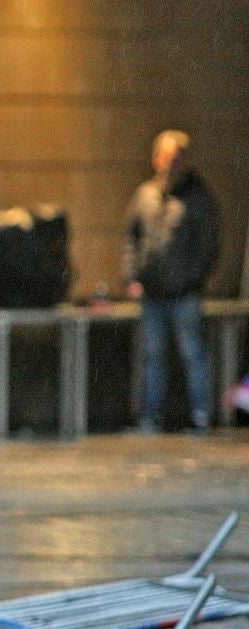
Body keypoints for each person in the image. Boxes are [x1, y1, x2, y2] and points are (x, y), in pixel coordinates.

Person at [121, 129, 220, 435]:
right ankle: (149, 417)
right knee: (152, 356)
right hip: (152, 291)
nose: (170, 164)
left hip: (184, 293)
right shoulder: (145, 195)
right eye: (165, 157)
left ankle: (201, 416)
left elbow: (209, 244)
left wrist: (192, 279)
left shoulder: (198, 197)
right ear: (156, 159)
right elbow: (132, 239)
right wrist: (132, 277)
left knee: (192, 354)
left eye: (176, 158)